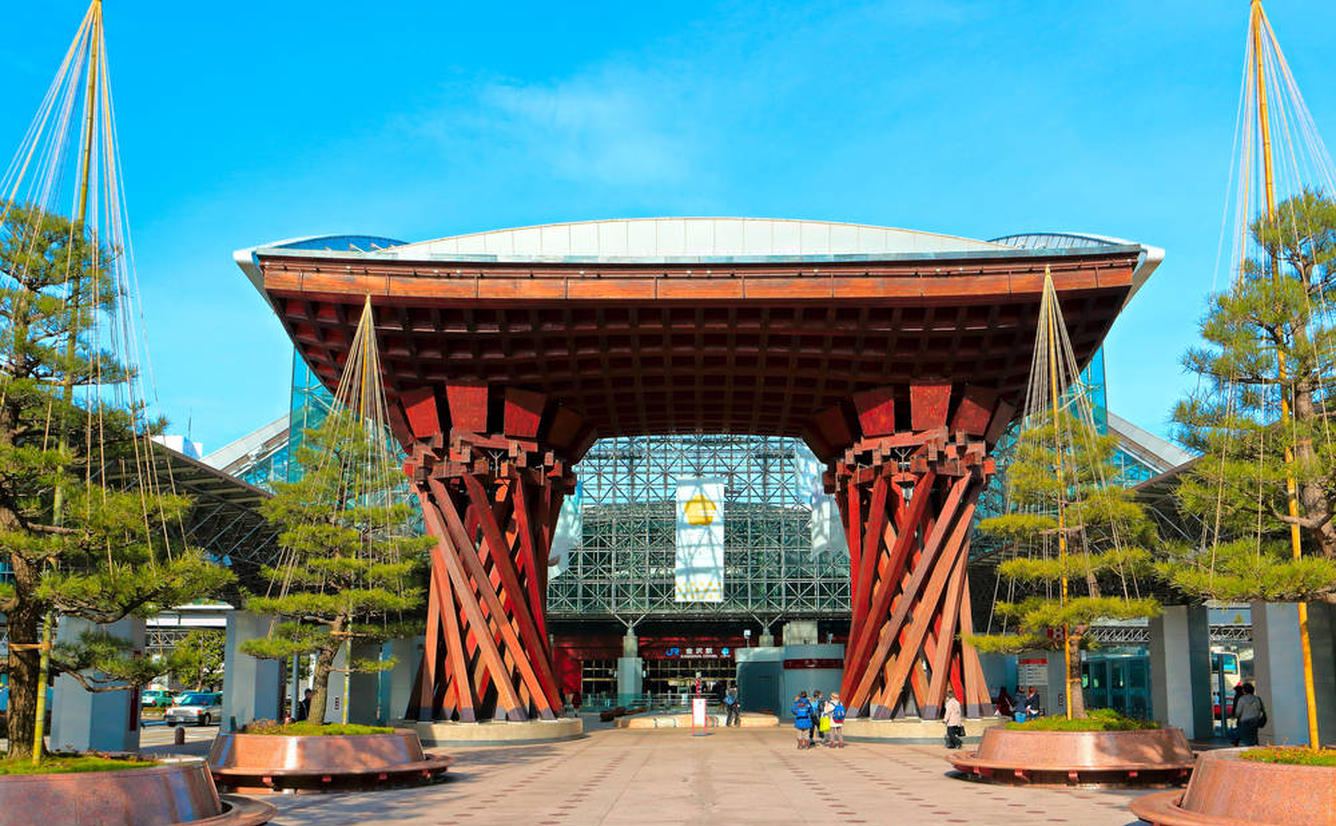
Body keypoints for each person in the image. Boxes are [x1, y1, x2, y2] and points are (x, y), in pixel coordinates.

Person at [1233, 682, 1266, 746]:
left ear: (1244, 690)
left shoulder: (1242, 699)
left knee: (1245, 738)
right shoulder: (1257, 699)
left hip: (1244, 721)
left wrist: (1236, 716)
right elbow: (1260, 709)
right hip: (1255, 721)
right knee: (1253, 737)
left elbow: (1238, 711)